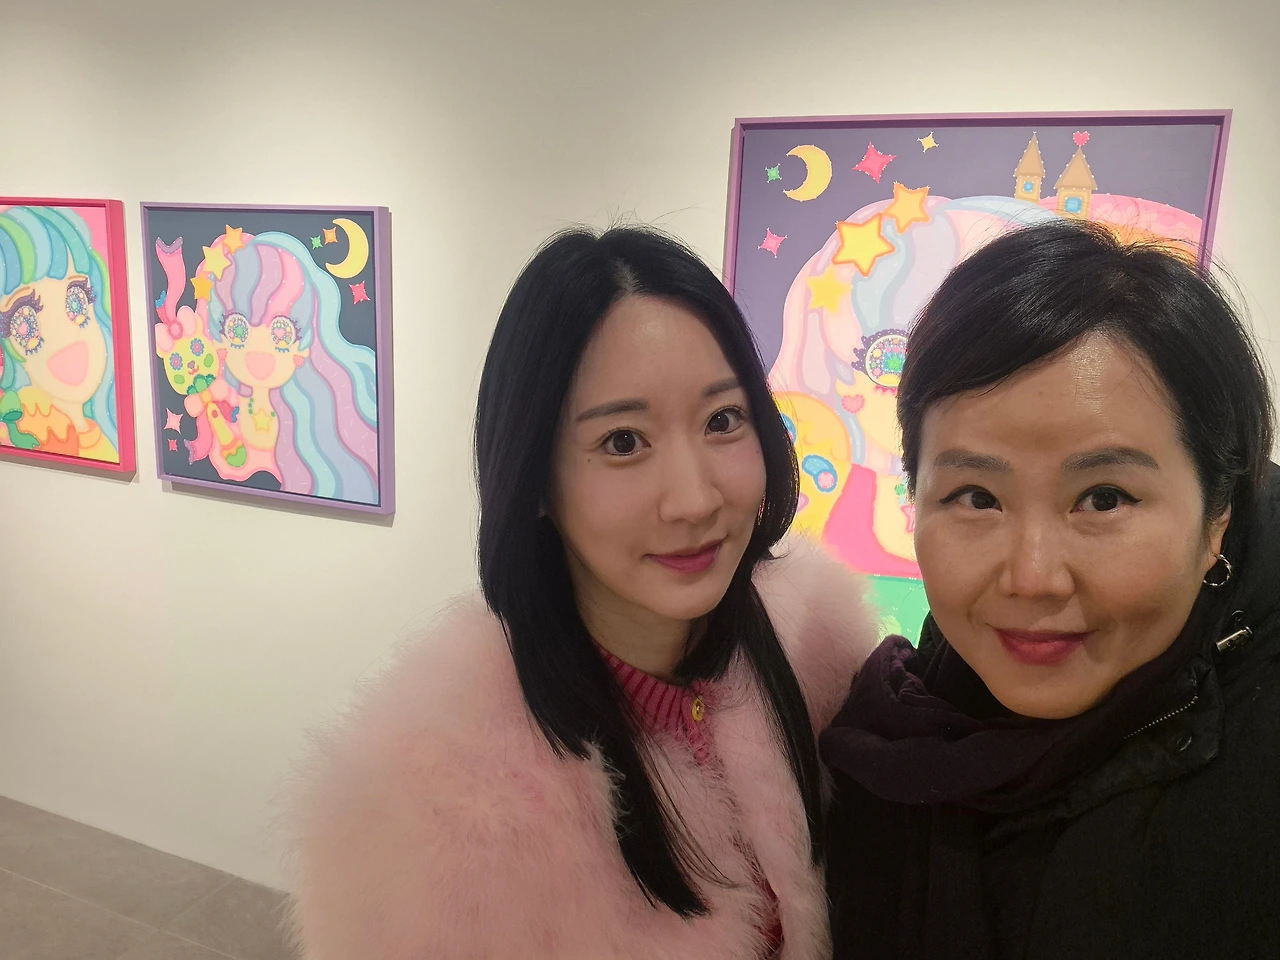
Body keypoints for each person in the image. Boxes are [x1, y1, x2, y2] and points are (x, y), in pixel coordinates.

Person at [284, 226, 878, 960]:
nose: (694, 499)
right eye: (623, 441)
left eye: (723, 421)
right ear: (534, 478)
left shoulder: (818, 648)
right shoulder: (423, 813)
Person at [821, 219, 1279, 960]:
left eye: (1103, 499)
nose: (1031, 579)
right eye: (976, 497)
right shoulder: (885, 740)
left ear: (1216, 516)